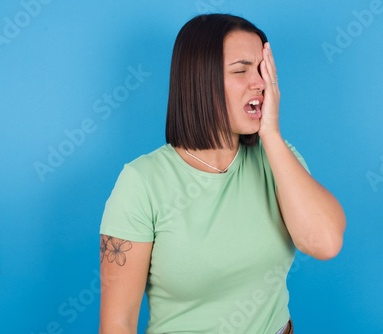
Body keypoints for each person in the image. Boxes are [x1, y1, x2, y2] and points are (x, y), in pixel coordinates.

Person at [99, 13, 345, 334]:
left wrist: (270, 133)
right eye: (241, 70)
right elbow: (118, 323)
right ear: (199, 80)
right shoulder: (141, 183)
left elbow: (325, 243)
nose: (259, 83)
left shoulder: (278, 159)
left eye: (262, 69)